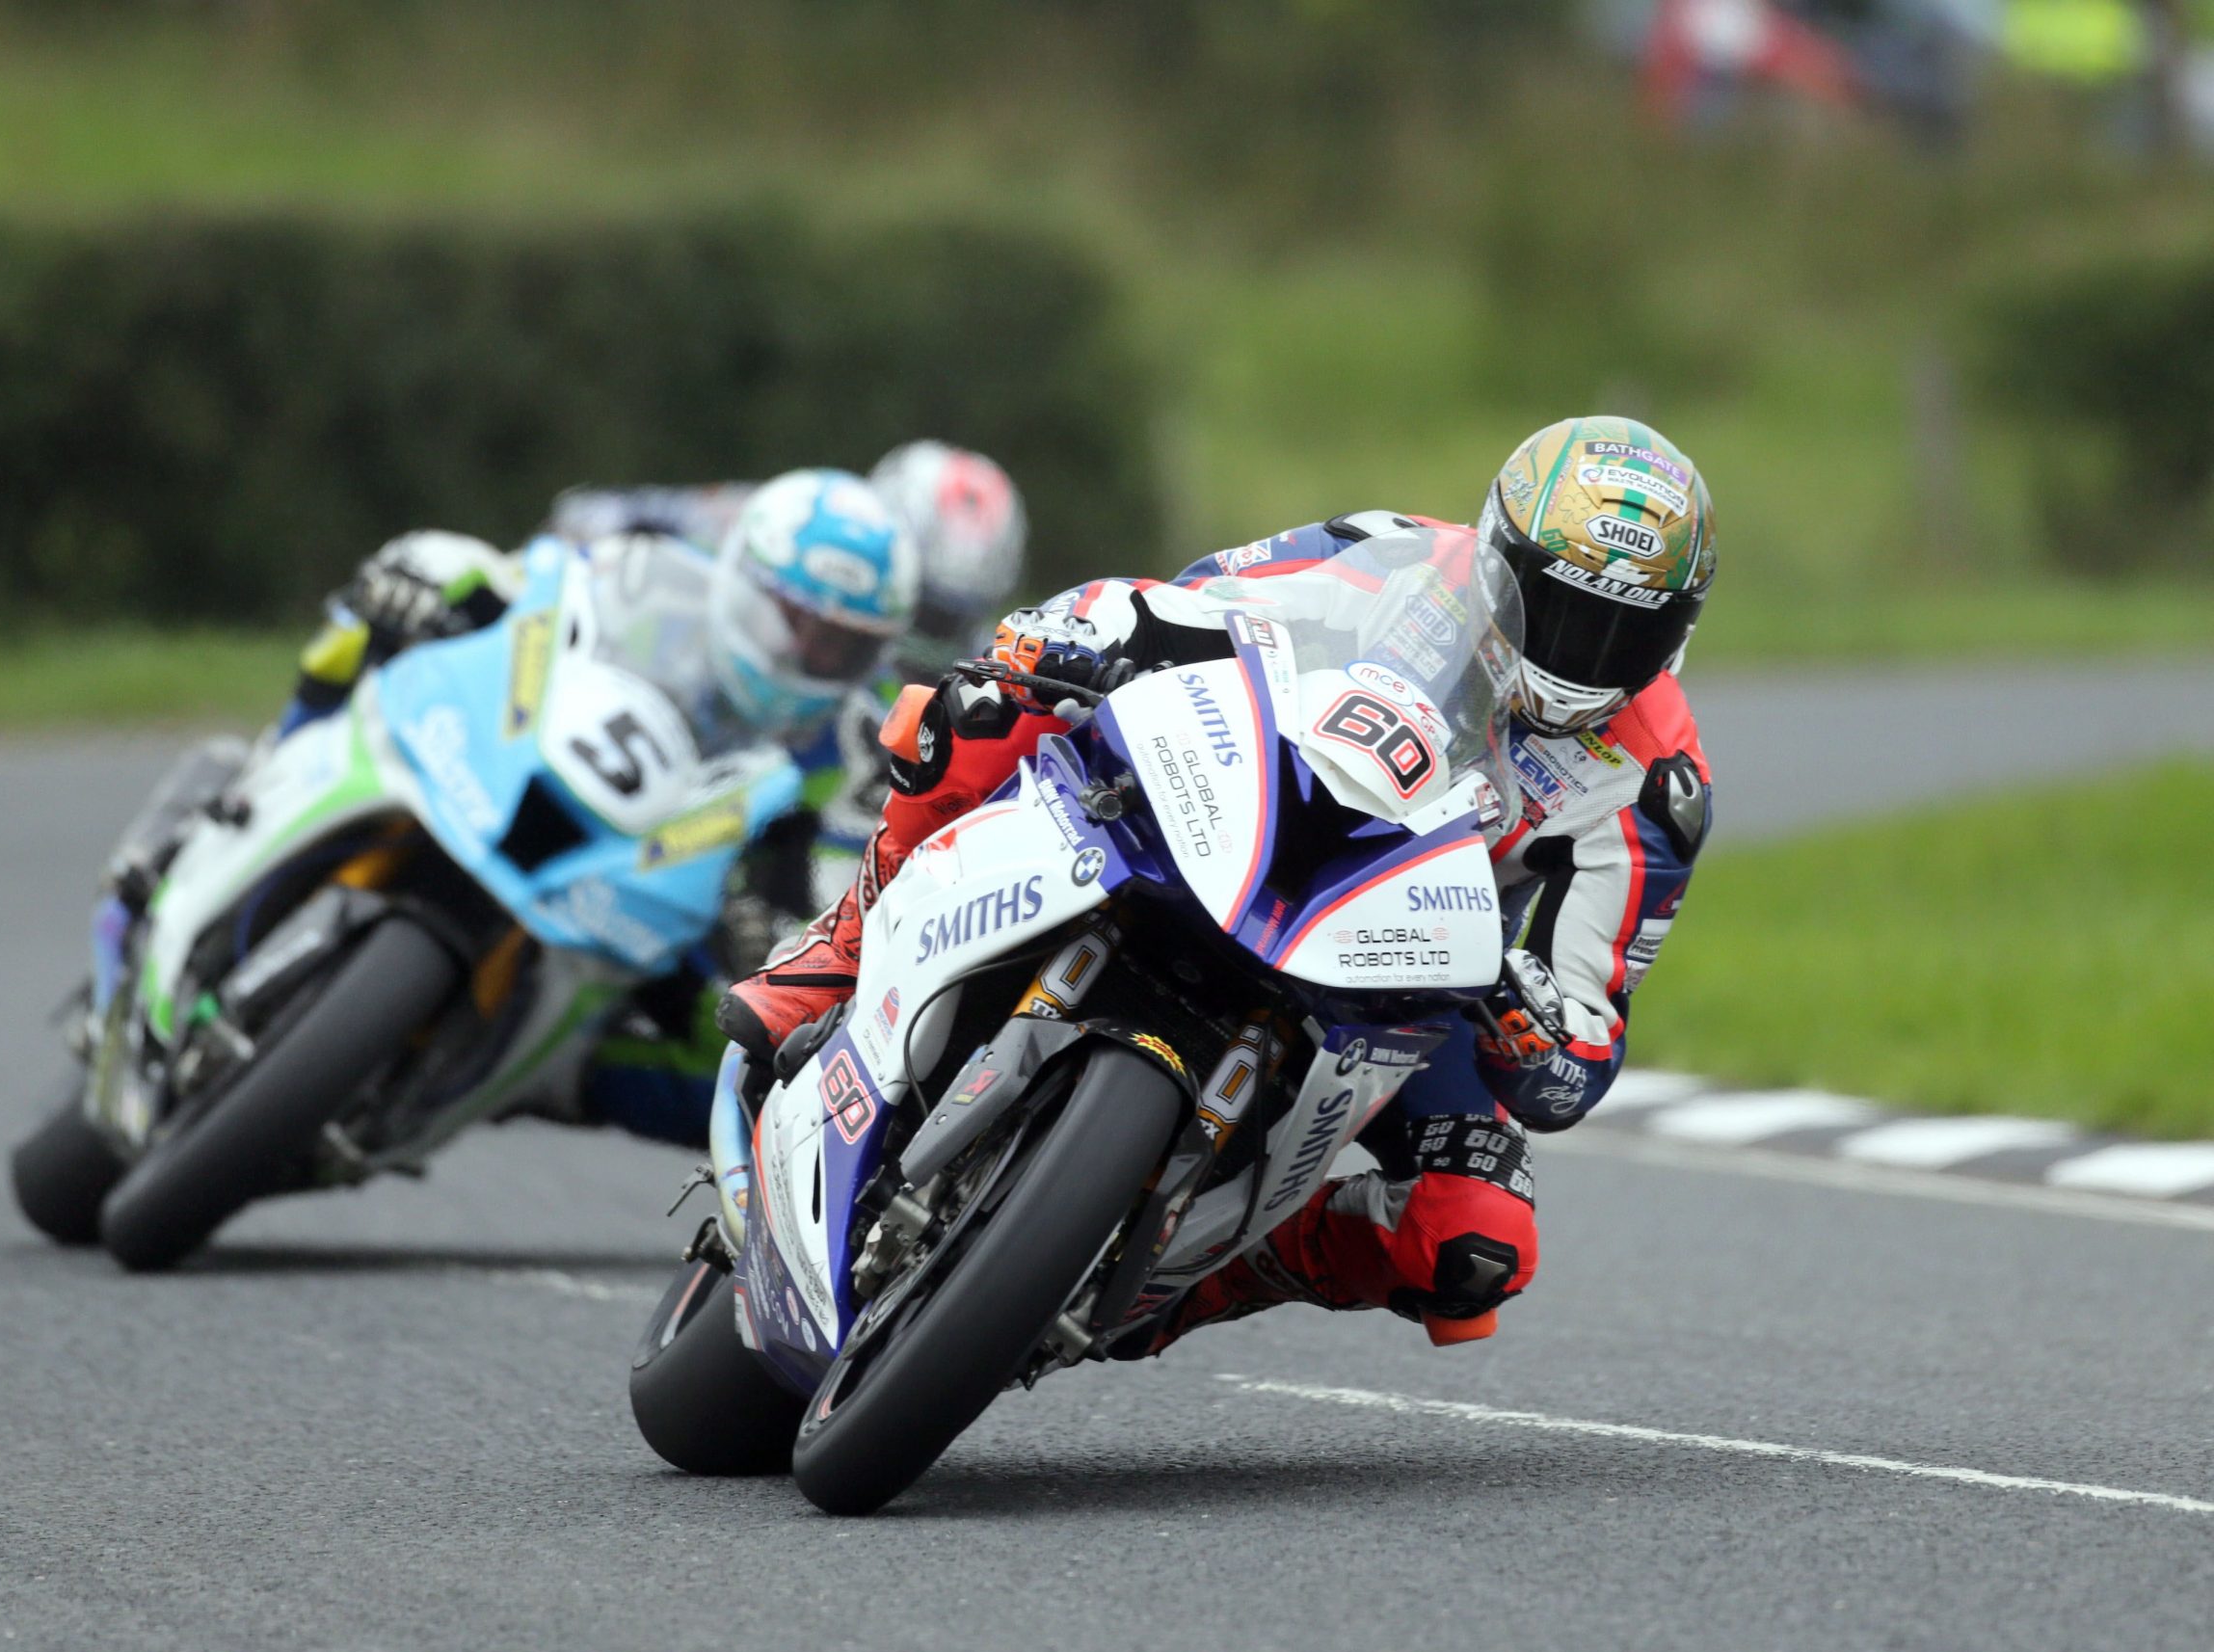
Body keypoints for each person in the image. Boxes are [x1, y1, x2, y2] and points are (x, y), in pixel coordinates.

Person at [720, 416, 1717, 1349]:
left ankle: (1174, 1285)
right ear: (1499, 559)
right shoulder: (1399, 560)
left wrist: (1520, 1014)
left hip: (1411, 962)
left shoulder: (1654, 787)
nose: (1579, 657)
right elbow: (1196, 601)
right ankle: (841, 949)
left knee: (1477, 1242)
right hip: (1242, 802)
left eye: (1620, 634)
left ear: (1676, 632)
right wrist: (1076, 638)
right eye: (1560, 609)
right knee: (978, 709)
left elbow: (1576, 1054)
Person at [237, 469, 922, 1146]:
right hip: (544, 761)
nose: (809, 653)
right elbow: (543, 571)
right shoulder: (661, 581)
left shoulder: (853, 749)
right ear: (744, 579)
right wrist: (445, 593)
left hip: (662, 909)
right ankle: (259, 776)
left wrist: (770, 934)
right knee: (393, 596)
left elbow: (841, 885)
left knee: (751, 1066)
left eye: (840, 645)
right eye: (795, 622)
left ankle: (525, 1071)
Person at [547, 442, 1030, 899]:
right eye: (921, 605)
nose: (920, 641)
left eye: (947, 618)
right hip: (665, 694)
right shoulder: (781, 520)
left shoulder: (983, 665)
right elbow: (589, 518)